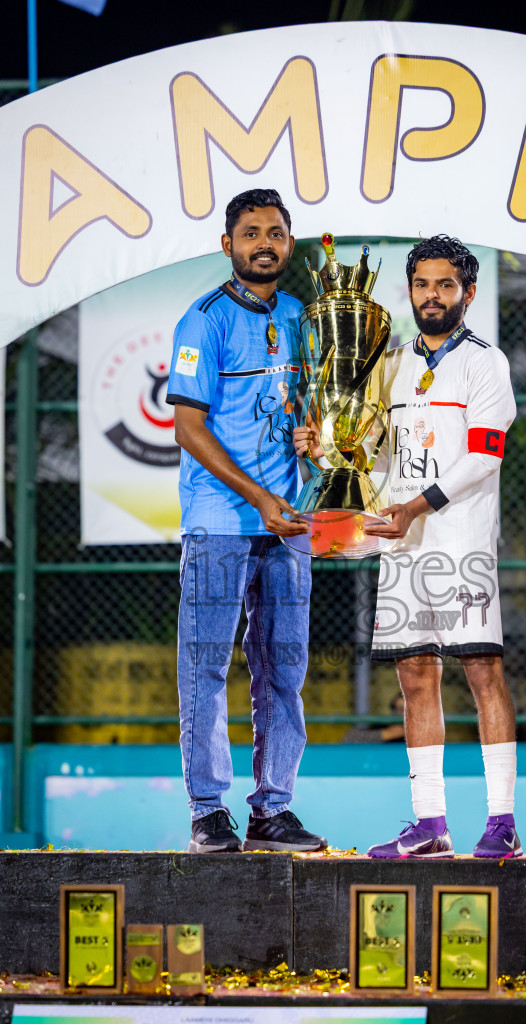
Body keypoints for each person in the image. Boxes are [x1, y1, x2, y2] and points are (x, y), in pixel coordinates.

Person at [294, 235, 520, 859]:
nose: (432, 296)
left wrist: (418, 505)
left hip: (461, 542)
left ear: (467, 294)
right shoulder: (388, 364)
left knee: (482, 672)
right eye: (422, 285)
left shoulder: (484, 363)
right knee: (416, 678)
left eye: (445, 285)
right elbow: (368, 451)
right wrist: (321, 445)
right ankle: (431, 825)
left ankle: (501, 821)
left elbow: (485, 455)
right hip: (401, 546)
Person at [166, 188, 327, 854]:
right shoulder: (202, 320)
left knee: (283, 669)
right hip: (219, 522)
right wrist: (257, 496)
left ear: (289, 245)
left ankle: (272, 810)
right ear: (227, 244)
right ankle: (208, 811)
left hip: (288, 525)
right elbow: (187, 427)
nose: (265, 243)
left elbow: (316, 411)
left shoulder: (302, 318)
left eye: (277, 233)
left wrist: (319, 439)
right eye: (251, 232)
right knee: (206, 666)